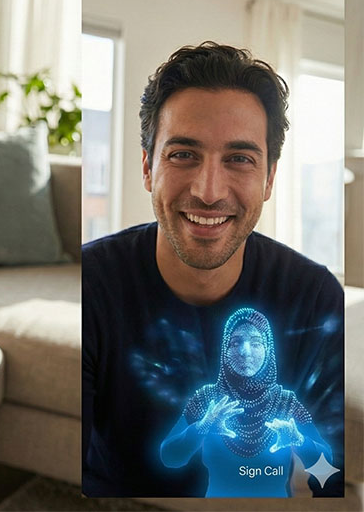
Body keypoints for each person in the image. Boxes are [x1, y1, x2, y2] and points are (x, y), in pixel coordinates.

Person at [81, 42, 344, 497]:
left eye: (240, 159)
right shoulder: (89, 286)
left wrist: (305, 448)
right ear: (148, 167)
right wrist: (201, 425)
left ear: (269, 179)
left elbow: (329, 481)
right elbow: (169, 456)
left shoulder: (314, 299)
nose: (208, 191)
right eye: (183, 154)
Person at [159, 308, 332, 496]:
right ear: (226, 349)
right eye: (236, 342)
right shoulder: (207, 398)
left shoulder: (286, 402)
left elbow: (325, 469)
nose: (245, 351)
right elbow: (169, 457)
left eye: (256, 343)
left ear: (268, 350)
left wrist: (298, 440)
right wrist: (203, 426)